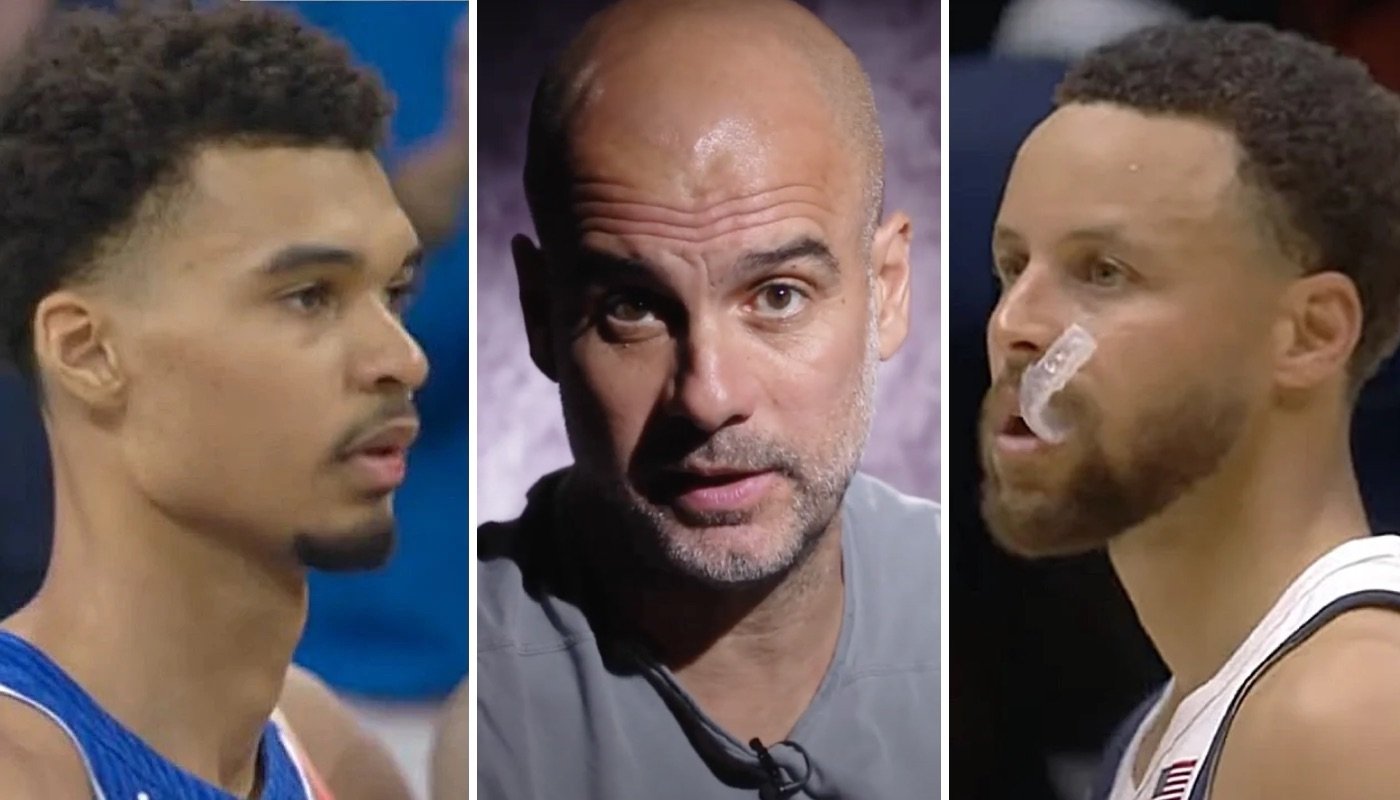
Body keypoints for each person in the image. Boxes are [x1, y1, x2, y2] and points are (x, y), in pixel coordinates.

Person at [473, 0, 939, 797]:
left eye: (780, 296)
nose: (708, 395)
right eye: (634, 307)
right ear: (541, 317)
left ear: (887, 291)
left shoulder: (976, 626)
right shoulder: (478, 709)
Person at [0, 4, 426, 798]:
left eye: (395, 292)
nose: (402, 359)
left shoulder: (326, 749)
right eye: (308, 297)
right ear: (86, 352)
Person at [980, 20, 1400, 800]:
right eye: (1011, 267)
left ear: (1309, 333)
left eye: (1102, 273)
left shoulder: (1350, 714)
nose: (1016, 325)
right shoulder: (1166, 725)